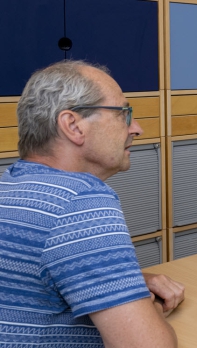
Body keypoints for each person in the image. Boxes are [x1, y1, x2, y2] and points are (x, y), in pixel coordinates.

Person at [0, 61, 184, 347]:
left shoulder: (11, 184)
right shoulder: (80, 201)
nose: (137, 128)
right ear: (73, 125)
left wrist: (122, 286)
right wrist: (149, 308)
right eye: (124, 113)